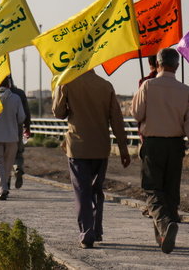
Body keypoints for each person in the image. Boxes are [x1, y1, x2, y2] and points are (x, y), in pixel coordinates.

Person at [131, 48, 189, 254]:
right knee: (170, 192)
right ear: (177, 66)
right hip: (175, 145)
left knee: (152, 190)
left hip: (153, 144)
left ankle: (164, 225)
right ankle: (163, 237)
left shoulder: (148, 86)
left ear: (158, 64)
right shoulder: (185, 91)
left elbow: (136, 114)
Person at [52, 69, 131, 249]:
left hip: (78, 148)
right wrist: (123, 149)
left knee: (82, 191)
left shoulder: (67, 83)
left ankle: (87, 233)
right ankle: (96, 229)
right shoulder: (105, 85)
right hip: (100, 147)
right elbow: (117, 120)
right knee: (96, 189)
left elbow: (58, 113)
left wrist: (59, 87)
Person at [9, 76, 31, 189]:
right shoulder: (20, 93)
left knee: (4, 155)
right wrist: (27, 126)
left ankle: (5, 182)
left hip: (1, 128)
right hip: (17, 127)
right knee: (18, 152)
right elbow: (26, 111)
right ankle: (18, 168)